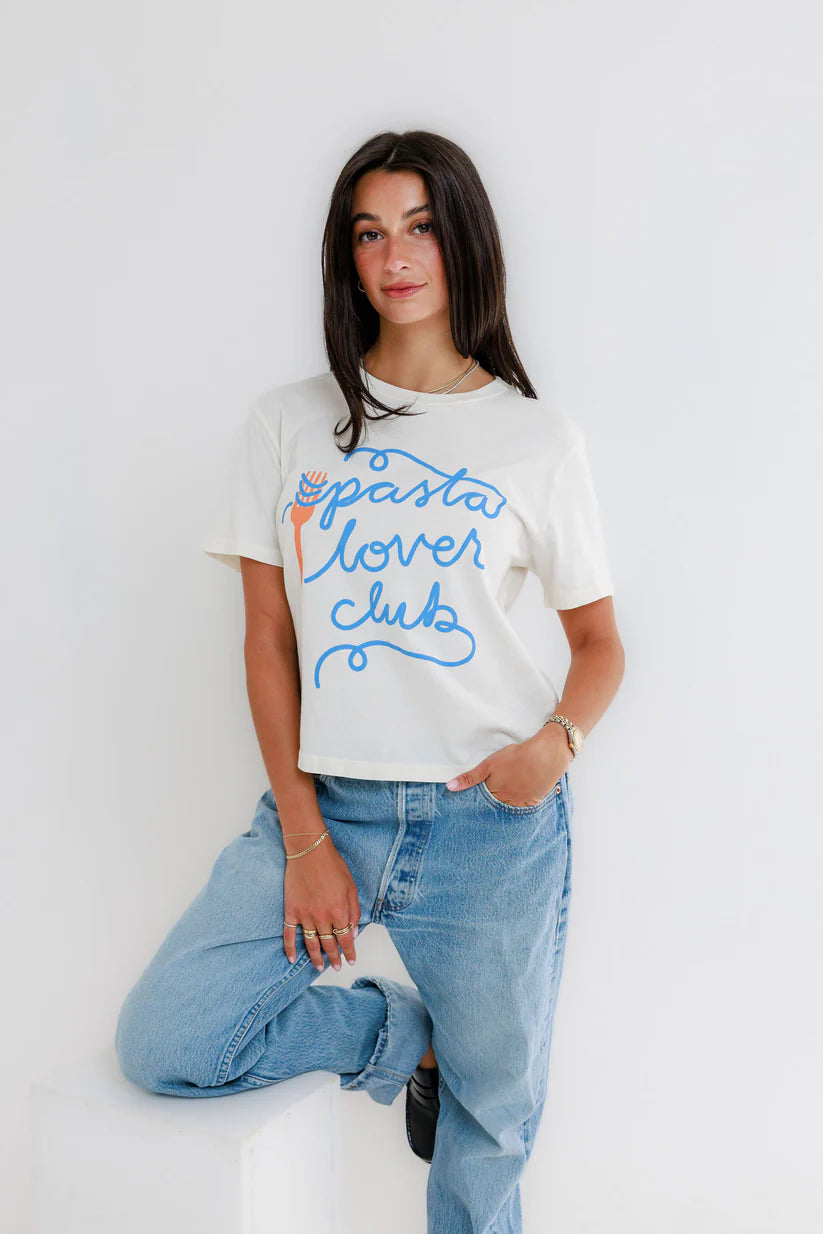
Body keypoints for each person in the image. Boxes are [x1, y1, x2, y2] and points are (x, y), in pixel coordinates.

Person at [114, 129, 625, 1233]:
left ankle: (456, 1070)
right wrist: (304, 838)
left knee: (491, 1130)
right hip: (329, 808)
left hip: (491, 823)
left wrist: (556, 745)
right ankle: (404, 1040)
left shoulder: (535, 438)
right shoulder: (290, 423)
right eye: (368, 233)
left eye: (421, 228)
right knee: (166, 1037)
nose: (395, 257)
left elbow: (599, 643)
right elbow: (266, 640)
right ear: (345, 259)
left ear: (463, 243)